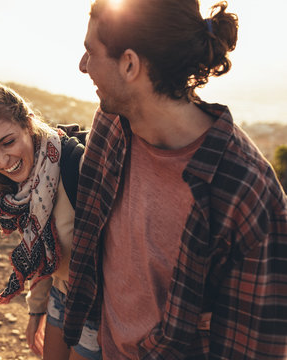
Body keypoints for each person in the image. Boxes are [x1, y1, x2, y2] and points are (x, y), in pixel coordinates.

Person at [63, 0, 287, 358]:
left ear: (130, 64)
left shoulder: (247, 192)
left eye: (91, 51)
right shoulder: (111, 125)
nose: (82, 65)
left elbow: (253, 348)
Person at [0, 84, 101, 359]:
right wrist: (36, 309)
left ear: (28, 125)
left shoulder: (75, 167)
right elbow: (41, 249)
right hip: (60, 292)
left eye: (8, 142)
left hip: (96, 306)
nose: (2, 160)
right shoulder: (13, 190)